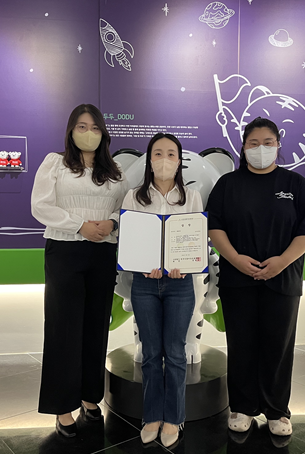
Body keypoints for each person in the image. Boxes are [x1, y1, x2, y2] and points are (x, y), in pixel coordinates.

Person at [205, 117, 305, 437]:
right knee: (241, 344)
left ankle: (277, 410)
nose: (261, 148)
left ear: (278, 145)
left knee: (278, 346)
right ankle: (242, 407)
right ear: (243, 147)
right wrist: (235, 259)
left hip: (282, 279)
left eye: (268, 143)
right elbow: (215, 227)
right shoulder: (228, 184)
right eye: (254, 143)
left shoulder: (296, 184)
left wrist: (282, 262)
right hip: (237, 279)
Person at [31, 104, 128, 438]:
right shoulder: (55, 163)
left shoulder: (114, 170)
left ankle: (90, 397)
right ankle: (62, 406)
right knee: (64, 327)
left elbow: (126, 206)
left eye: (95, 127)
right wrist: (79, 225)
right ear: (71, 130)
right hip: (66, 250)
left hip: (103, 251)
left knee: (96, 325)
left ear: (104, 133)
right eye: (82, 126)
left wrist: (111, 222)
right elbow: (41, 205)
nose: (89, 133)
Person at [121, 133, 203, 448]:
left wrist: (186, 263)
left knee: (176, 352)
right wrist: (141, 264)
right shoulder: (133, 197)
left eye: (171, 154)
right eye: (158, 153)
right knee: (151, 353)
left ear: (179, 161)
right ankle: (152, 416)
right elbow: (129, 239)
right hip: (144, 283)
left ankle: (174, 417)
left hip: (180, 284)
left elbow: (196, 240)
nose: (164, 160)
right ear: (149, 160)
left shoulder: (191, 197)